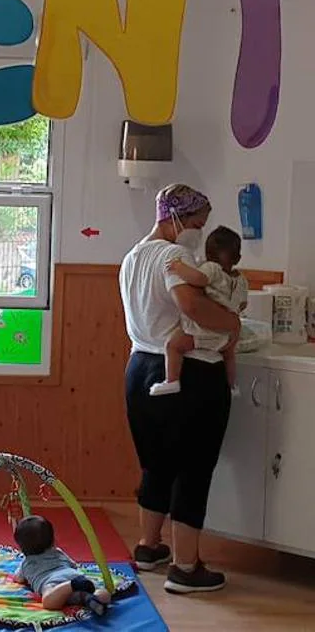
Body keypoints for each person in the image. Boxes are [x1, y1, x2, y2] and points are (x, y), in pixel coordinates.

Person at [119, 184, 239, 594]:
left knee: (156, 462)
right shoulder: (175, 256)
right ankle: (186, 566)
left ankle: (149, 547)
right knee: (192, 467)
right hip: (188, 376)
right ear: (176, 218)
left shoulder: (133, 256)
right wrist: (232, 325)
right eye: (196, 224)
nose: (199, 234)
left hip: (140, 369)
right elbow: (190, 305)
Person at [150, 226, 248, 397]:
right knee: (229, 355)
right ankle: (233, 386)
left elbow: (198, 279)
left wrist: (178, 267)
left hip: (205, 331)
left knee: (173, 346)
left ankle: (171, 381)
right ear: (238, 258)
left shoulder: (212, 268)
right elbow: (243, 304)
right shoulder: (241, 280)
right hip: (226, 335)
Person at [13, 515, 111, 615]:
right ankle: (94, 598)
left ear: (22, 548)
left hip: (52, 583)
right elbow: (74, 565)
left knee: (48, 601)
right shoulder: (58, 552)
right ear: (52, 540)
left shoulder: (26, 563)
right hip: (73, 574)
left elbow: (18, 578)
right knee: (96, 590)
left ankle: (71, 585)